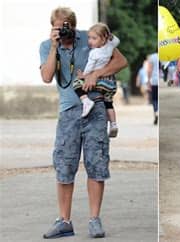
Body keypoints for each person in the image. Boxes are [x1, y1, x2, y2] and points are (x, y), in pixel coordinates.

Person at [39, 7, 127, 239]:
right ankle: (64, 221)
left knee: (96, 164)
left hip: (96, 109)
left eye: (67, 24)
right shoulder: (47, 46)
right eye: (59, 26)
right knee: (64, 165)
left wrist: (96, 74)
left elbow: (121, 61)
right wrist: (55, 47)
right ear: (53, 27)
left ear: (74, 25)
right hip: (68, 112)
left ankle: (94, 220)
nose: (64, 29)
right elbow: (47, 77)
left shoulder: (92, 37)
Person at [73, 23, 120, 137]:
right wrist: (110, 36)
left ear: (103, 39)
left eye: (94, 38)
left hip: (101, 81)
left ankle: (86, 101)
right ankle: (113, 124)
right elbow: (116, 40)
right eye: (89, 37)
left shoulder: (94, 53)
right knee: (108, 103)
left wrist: (83, 76)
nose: (90, 41)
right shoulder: (110, 46)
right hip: (110, 83)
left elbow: (89, 68)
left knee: (76, 83)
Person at [147, 53, 159, 125]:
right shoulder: (164, 56)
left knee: (154, 99)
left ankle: (156, 112)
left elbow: (149, 70)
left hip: (154, 81)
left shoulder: (152, 57)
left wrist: (148, 81)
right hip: (160, 81)